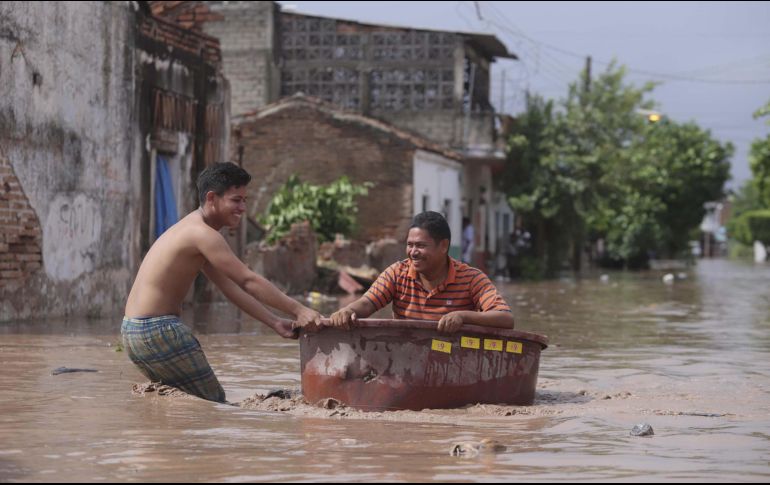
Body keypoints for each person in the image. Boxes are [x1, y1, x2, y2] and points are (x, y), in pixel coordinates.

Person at [122, 162, 322, 403]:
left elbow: (230, 288)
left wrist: (275, 322)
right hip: (157, 331)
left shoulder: (192, 229)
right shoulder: (203, 234)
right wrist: (300, 310)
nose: (243, 208)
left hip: (133, 331)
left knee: (186, 403)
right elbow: (247, 280)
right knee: (214, 404)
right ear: (211, 198)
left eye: (245, 200)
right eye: (236, 200)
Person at [329, 211, 514, 333]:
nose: (413, 252)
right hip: (406, 360)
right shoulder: (397, 273)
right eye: (410, 245)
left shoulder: (472, 278)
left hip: (452, 361)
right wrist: (346, 311)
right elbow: (367, 303)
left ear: (444, 246)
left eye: (421, 246)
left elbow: (505, 318)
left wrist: (462, 316)